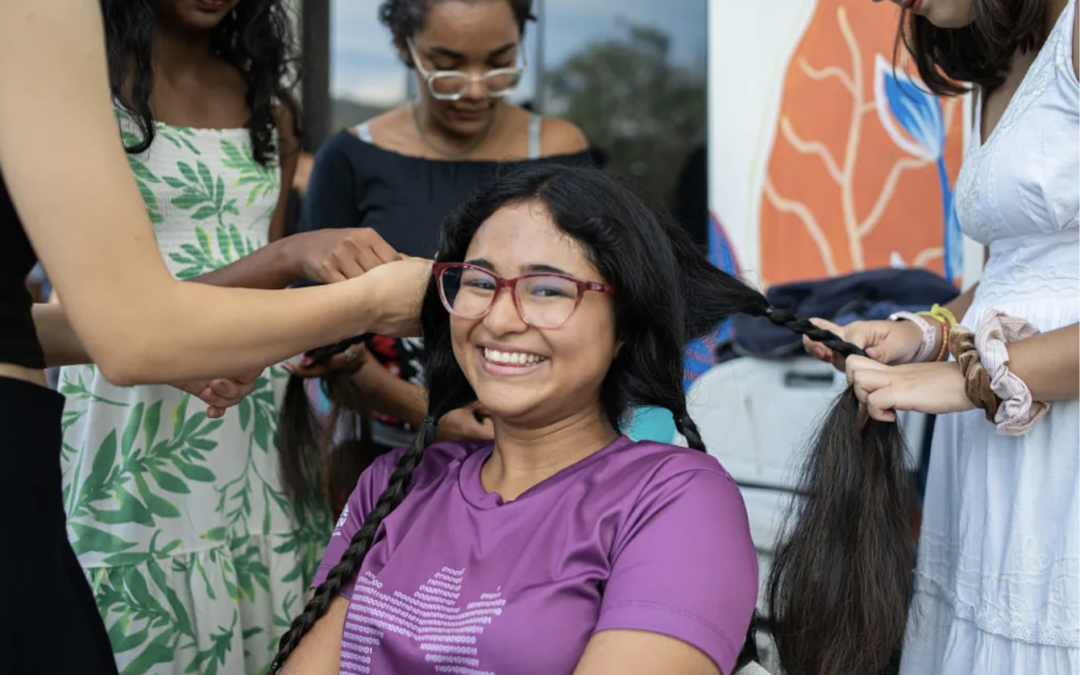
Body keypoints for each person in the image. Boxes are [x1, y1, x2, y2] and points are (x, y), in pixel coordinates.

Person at [267, 162, 891, 675]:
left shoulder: (675, 500)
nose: (501, 319)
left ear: (625, 326)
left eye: (548, 289)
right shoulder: (393, 484)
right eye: (480, 282)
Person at [0, 1, 431, 673]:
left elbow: (263, 283)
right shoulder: (76, 84)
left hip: (243, 402)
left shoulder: (270, 107)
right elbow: (119, 312)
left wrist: (289, 342)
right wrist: (303, 267)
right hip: (126, 398)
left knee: (257, 594)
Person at [796, 0, 1079, 673]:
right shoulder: (1002, 65)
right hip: (993, 439)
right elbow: (1014, 276)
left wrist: (966, 376)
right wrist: (921, 333)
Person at [292, 0, 592, 507]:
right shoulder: (349, 159)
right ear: (403, 48)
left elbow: (590, 306)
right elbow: (316, 334)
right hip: (384, 456)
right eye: (447, 65)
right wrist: (423, 409)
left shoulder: (561, 152)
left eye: (500, 62)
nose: (476, 89)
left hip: (541, 461)